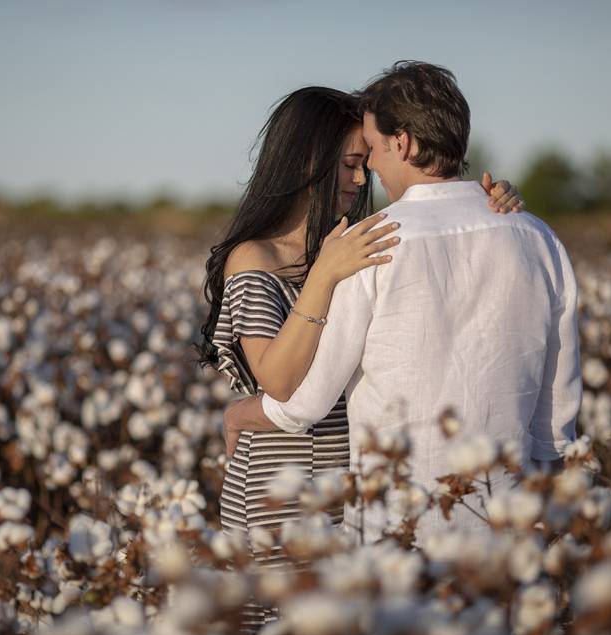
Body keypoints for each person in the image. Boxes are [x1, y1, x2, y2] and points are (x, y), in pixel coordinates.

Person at [198, 85, 523, 634]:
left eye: (364, 164)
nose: (359, 179)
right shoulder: (256, 258)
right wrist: (324, 274)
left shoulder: (347, 243)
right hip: (281, 488)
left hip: (349, 484)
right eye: (349, 165)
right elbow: (277, 381)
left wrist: (491, 206)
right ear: (308, 161)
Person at [222, 62, 581, 550]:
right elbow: (558, 402)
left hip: (395, 524)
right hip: (503, 520)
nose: (367, 169)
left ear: (403, 143)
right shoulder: (538, 237)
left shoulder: (373, 244)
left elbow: (304, 400)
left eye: (369, 151)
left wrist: (240, 415)